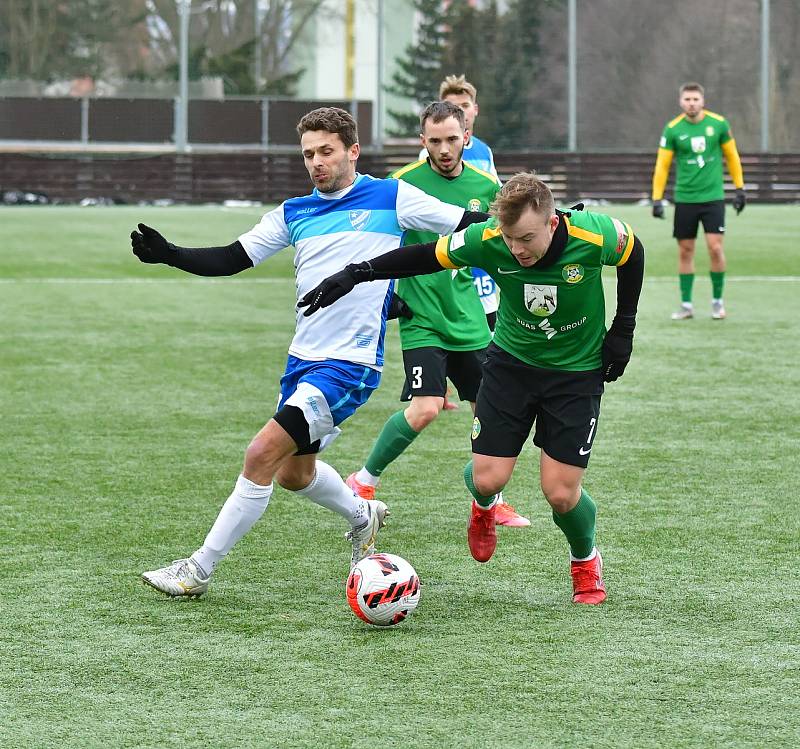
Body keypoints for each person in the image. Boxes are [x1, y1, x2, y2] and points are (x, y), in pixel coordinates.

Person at [131, 107, 488, 599]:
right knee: (294, 473)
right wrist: (172, 254)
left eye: (326, 151)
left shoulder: (392, 196)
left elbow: (469, 222)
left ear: (352, 150)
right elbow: (233, 258)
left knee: (260, 454)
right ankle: (363, 514)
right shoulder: (293, 212)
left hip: (349, 367)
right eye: (308, 154)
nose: (316, 162)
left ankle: (197, 569)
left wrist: (546, 220)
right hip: (303, 359)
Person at [299, 173, 645, 605]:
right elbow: (427, 255)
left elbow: (634, 254)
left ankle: (585, 561)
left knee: (559, 493)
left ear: (553, 223)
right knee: (487, 481)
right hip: (511, 368)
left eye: (526, 238)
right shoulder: (488, 238)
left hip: (576, 375)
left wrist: (623, 328)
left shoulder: (596, 234)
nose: (516, 249)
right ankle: (483, 507)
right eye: (509, 238)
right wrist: (357, 273)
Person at [346, 100, 529, 528]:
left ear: (466, 137)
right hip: (421, 313)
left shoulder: (486, 185)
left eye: (452, 139)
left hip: (466, 313)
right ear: (422, 141)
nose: (444, 149)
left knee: (490, 412)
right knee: (426, 407)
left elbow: (504, 244)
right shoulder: (403, 184)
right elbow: (378, 242)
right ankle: (363, 480)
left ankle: (490, 500)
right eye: (435, 141)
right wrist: (382, 293)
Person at [651, 82, 745, 320]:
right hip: (685, 198)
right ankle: (686, 305)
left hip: (713, 198)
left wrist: (740, 189)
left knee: (715, 248)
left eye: (695, 99)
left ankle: (717, 302)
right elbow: (662, 166)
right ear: (681, 102)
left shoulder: (719, 124)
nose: (691, 103)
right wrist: (657, 198)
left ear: (702, 101)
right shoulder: (672, 129)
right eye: (687, 99)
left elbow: (732, 156)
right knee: (685, 251)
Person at [432, 74, 501, 332]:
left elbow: (495, 195)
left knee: (487, 323)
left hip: (479, 247)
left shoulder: (483, 151)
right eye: (451, 107)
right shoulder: (431, 153)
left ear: (475, 110)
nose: (459, 112)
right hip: (447, 248)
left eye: (464, 106)